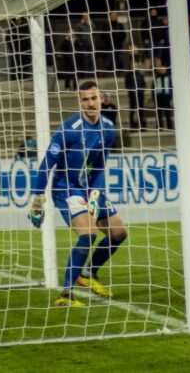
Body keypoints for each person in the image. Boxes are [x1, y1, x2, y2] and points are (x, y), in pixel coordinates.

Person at [28, 81, 125, 307]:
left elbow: (100, 165)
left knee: (119, 232)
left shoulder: (108, 128)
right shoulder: (68, 131)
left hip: (91, 188)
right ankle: (66, 294)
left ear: (101, 98)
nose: (90, 103)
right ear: (79, 101)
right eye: (85, 99)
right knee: (89, 233)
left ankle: (88, 273)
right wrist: (38, 199)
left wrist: (97, 192)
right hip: (67, 188)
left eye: (93, 98)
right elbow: (46, 165)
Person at [124, 49, 148, 131]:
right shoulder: (128, 75)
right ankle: (132, 126)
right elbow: (127, 85)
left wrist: (140, 90)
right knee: (132, 111)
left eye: (136, 65)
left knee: (141, 111)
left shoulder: (140, 75)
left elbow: (144, 84)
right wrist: (133, 90)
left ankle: (142, 126)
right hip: (132, 96)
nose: (135, 67)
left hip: (140, 95)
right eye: (133, 66)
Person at [152, 60, 173, 130]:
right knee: (159, 113)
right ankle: (160, 126)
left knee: (168, 113)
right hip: (159, 97)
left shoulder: (169, 78)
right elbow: (153, 89)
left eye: (163, 69)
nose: (162, 70)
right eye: (161, 69)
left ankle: (169, 126)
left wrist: (171, 98)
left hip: (166, 97)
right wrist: (154, 99)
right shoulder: (156, 78)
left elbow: (171, 88)